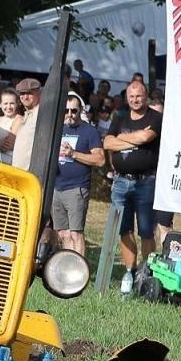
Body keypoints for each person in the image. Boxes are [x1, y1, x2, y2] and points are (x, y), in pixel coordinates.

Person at [102, 78, 161, 292]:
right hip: (120, 181)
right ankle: (130, 271)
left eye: (139, 96)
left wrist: (123, 139)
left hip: (145, 182)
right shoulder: (120, 117)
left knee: (146, 230)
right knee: (124, 229)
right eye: (131, 96)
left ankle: (147, 272)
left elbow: (147, 136)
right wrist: (132, 139)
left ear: (146, 97)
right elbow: (107, 143)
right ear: (127, 98)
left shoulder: (156, 117)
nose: (135, 100)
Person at [51, 92, 105, 254]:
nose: (69, 114)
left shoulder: (89, 131)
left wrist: (73, 154)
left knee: (76, 233)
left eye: (73, 111)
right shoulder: (58, 129)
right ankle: (70, 269)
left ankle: (79, 271)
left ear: (80, 110)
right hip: (57, 187)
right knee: (62, 233)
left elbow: (100, 160)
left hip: (77, 188)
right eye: (66, 111)